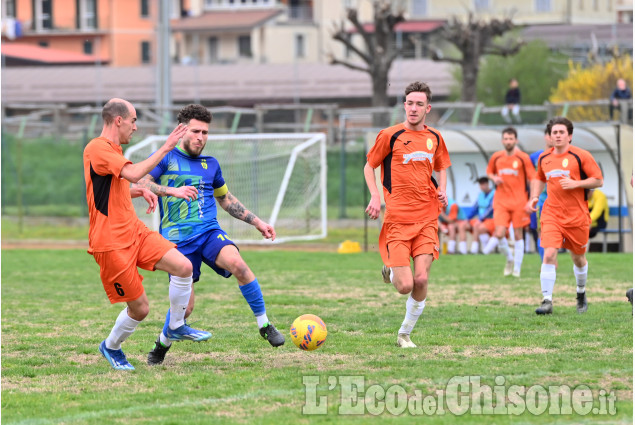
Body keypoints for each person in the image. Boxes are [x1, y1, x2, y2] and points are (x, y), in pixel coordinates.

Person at [135, 104, 285, 366]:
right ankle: (162, 344)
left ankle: (264, 325)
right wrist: (171, 191)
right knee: (185, 308)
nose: (200, 137)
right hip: (177, 242)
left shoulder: (211, 164)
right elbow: (141, 183)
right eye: (195, 131)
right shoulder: (166, 158)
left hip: (208, 233)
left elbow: (225, 200)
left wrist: (258, 222)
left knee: (239, 264)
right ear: (182, 130)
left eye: (205, 132)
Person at [84, 98, 209, 371]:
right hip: (111, 244)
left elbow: (111, 189)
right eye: (134, 120)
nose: (136, 127)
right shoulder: (97, 147)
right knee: (140, 309)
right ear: (119, 120)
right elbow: (132, 173)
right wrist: (166, 147)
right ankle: (111, 346)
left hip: (135, 232)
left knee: (183, 266)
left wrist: (138, 190)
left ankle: (176, 325)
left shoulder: (113, 150)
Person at [364, 81, 451, 348]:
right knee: (405, 286)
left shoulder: (434, 137)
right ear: (404, 105)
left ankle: (404, 334)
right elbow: (370, 166)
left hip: (426, 217)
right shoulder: (389, 135)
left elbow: (442, 166)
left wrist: (443, 191)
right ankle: (391, 269)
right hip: (397, 220)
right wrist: (376, 196)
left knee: (422, 279)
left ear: (428, 108)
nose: (414, 108)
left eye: (419, 104)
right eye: (410, 103)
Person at [526, 116, 603, 315]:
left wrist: (576, 184)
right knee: (549, 253)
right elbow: (539, 178)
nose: (558, 136)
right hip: (551, 213)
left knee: (578, 258)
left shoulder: (581, 155)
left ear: (569, 136)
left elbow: (598, 180)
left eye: (561, 132)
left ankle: (581, 292)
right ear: (550, 137)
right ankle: (547, 301)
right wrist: (534, 197)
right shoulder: (544, 158)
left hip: (577, 216)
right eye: (554, 133)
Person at [483, 127, 535, 277]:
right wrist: (494, 178)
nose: (508, 141)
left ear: (516, 140)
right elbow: (489, 171)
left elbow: (533, 178)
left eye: (511, 139)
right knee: (499, 233)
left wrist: (531, 199)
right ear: (502, 140)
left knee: (518, 234)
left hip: (519, 200)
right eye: (506, 139)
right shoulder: (496, 157)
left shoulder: (523, 158)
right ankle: (510, 259)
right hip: (500, 201)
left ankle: (517, 271)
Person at [529, 124, 555, 261]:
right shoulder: (535, 157)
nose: (553, 138)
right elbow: (531, 178)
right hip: (542, 199)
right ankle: (545, 262)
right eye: (551, 134)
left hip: (559, 199)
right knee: (541, 231)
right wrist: (531, 197)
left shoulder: (562, 156)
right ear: (546, 137)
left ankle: (553, 258)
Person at [464, 176, 495, 255]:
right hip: (482, 220)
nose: (482, 186)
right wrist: (467, 219)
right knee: (464, 225)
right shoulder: (480, 194)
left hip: (491, 219)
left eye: (483, 184)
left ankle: (476, 249)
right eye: (480, 184)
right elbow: (475, 208)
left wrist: (480, 219)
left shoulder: (494, 193)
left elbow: (491, 209)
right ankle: (482, 250)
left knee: (478, 226)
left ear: (488, 184)